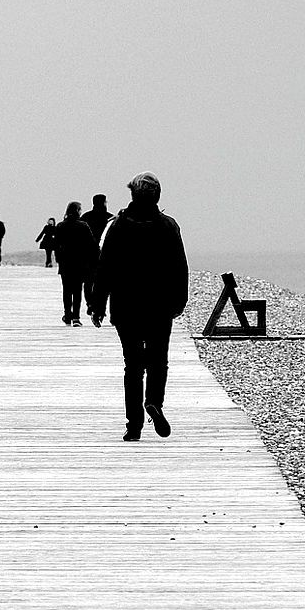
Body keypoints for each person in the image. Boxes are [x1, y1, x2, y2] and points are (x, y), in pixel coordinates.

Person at [91, 172, 189, 442]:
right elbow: (180, 268)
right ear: (157, 196)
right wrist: (179, 301)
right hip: (160, 306)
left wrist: (97, 305)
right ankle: (154, 402)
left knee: (133, 365)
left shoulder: (119, 226)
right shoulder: (169, 226)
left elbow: (105, 268)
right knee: (158, 361)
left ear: (132, 195)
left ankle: (133, 425)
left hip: (126, 306)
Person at [53, 202, 98, 327]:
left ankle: (67, 315)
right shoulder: (83, 225)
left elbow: (55, 245)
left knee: (67, 290)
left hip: (65, 262)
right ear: (78, 211)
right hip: (80, 262)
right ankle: (76, 317)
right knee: (77, 290)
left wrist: (59, 259)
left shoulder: (61, 226)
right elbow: (92, 244)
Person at [80, 194, 114, 313]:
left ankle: (90, 303)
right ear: (104, 203)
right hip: (105, 254)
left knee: (88, 281)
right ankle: (100, 306)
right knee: (105, 282)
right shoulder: (110, 219)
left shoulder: (85, 217)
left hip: (87, 254)